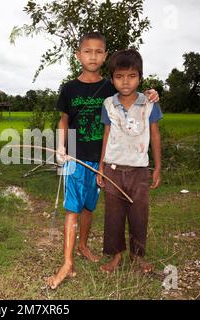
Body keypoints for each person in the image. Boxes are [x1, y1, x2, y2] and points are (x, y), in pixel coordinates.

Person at [47, 32, 159, 289]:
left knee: (89, 206)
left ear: (105, 56)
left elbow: (136, 95)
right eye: (87, 51)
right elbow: (63, 119)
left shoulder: (111, 86)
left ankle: (83, 246)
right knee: (72, 208)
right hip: (75, 155)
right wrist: (61, 146)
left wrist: (152, 93)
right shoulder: (69, 88)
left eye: (99, 52)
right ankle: (67, 263)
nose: (93, 56)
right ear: (78, 55)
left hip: (102, 161)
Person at [97, 49, 163, 274]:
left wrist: (158, 168)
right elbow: (106, 135)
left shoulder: (149, 104)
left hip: (139, 170)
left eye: (132, 76)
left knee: (139, 214)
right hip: (113, 169)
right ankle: (116, 256)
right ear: (112, 78)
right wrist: (101, 166)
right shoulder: (108, 104)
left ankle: (138, 256)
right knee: (113, 215)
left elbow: (155, 135)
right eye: (119, 76)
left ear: (140, 77)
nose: (125, 81)